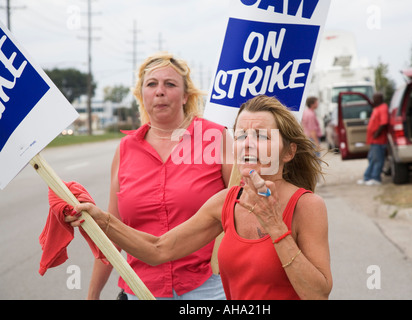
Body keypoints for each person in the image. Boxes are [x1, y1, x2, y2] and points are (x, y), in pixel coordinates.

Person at [67, 95, 333, 300]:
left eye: (261, 136)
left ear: (289, 152)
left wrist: (276, 226)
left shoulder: (307, 206)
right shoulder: (225, 201)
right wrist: (104, 221)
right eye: (241, 136)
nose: (248, 144)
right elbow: (159, 249)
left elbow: (318, 293)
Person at [85, 52, 233, 300]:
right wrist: (93, 295)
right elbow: (112, 234)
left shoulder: (216, 139)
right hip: (140, 288)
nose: (160, 91)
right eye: (151, 84)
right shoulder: (125, 149)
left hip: (208, 287)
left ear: (186, 96)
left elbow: (243, 211)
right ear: (142, 95)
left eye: (170, 84)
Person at [357, 92, 389, 186]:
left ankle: (376, 178)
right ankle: (367, 177)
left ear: (379, 99)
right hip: (373, 141)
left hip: (379, 140)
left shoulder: (383, 108)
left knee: (377, 160)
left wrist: (377, 134)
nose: (373, 100)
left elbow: (384, 122)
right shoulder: (377, 108)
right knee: (371, 158)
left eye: (374, 98)